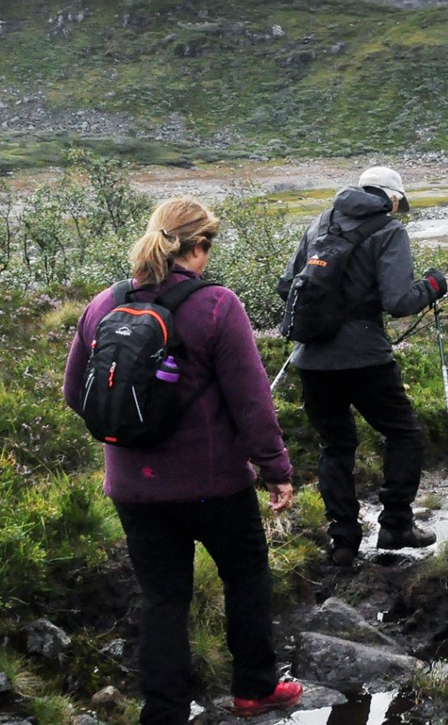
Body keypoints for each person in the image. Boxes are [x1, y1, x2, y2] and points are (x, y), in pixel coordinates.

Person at [62, 197, 302, 724]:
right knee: (246, 577)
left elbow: (74, 395)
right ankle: (254, 689)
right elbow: (251, 403)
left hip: (132, 489)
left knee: (163, 599)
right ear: (198, 246)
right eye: (207, 246)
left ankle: (165, 712)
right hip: (212, 484)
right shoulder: (217, 305)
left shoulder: (103, 303)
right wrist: (276, 469)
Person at [277, 165, 448, 565]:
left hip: (312, 357)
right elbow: (399, 301)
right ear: (391, 197)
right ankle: (395, 525)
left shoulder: (321, 223)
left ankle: (343, 542)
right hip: (365, 356)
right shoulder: (389, 230)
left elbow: (287, 285)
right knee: (404, 435)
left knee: (335, 445)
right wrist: (433, 286)